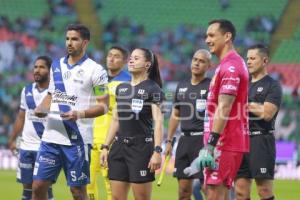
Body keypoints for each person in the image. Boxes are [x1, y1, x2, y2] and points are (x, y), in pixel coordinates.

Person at [32, 24, 109, 200]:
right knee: (38, 186)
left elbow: (104, 106)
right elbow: (51, 95)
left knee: (77, 191)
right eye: (67, 38)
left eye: (74, 39)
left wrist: (79, 114)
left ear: (85, 42)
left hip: (78, 139)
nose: (69, 42)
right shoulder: (56, 66)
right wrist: (42, 107)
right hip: (51, 137)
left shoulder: (96, 71)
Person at [188, 19, 249, 200]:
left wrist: (211, 144)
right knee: (214, 192)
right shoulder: (225, 65)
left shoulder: (231, 67)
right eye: (206, 35)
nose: (207, 40)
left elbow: (225, 107)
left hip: (224, 142)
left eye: (212, 35)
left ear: (227, 36)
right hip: (221, 141)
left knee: (214, 193)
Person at [100, 48, 164, 200]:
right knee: (116, 197)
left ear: (147, 65)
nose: (131, 61)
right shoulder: (122, 88)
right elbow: (116, 119)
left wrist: (157, 151)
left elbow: (159, 122)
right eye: (130, 58)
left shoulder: (153, 89)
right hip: (119, 147)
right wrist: (105, 146)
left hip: (141, 149)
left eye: (136, 58)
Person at [234, 44, 282, 200]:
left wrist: (245, 103)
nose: (248, 61)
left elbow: (267, 113)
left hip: (260, 140)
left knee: (264, 191)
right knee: (240, 191)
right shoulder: (242, 84)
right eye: (247, 58)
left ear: (265, 60)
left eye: (253, 58)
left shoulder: (272, 85)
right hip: (240, 141)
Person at [165, 49, 212, 200]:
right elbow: (175, 114)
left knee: (208, 188)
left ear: (209, 65)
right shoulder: (182, 85)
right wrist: (169, 141)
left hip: (203, 141)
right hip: (184, 141)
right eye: (195, 59)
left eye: (202, 61)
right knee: (184, 191)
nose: (197, 63)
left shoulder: (212, 86)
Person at [87, 46, 131, 200]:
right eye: (110, 55)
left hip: (112, 140)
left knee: (111, 184)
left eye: (117, 56)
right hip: (92, 138)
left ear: (125, 61)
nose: (111, 59)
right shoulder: (100, 79)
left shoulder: (128, 82)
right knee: (87, 182)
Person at [7, 56, 54, 200]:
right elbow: (21, 117)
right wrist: (13, 139)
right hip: (26, 147)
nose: (37, 70)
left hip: (46, 146)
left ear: (49, 71)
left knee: (42, 187)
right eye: (35, 67)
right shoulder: (26, 90)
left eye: (41, 67)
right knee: (27, 188)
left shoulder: (55, 93)